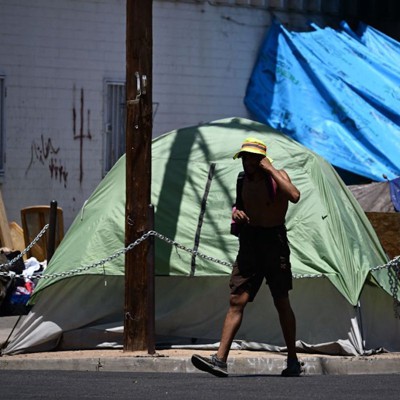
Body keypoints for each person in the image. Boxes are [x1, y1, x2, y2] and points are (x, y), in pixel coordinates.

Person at [191, 137, 303, 377]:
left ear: (262, 159)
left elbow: (294, 196)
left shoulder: (278, 175)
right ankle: (220, 360)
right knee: (236, 299)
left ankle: (292, 359)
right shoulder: (242, 180)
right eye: (244, 157)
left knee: (281, 300)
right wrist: (237, 213)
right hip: (250, 243)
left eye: (252, 158)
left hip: (275, 242)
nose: (247, 162)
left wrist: (271, 169)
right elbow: (240, 205)